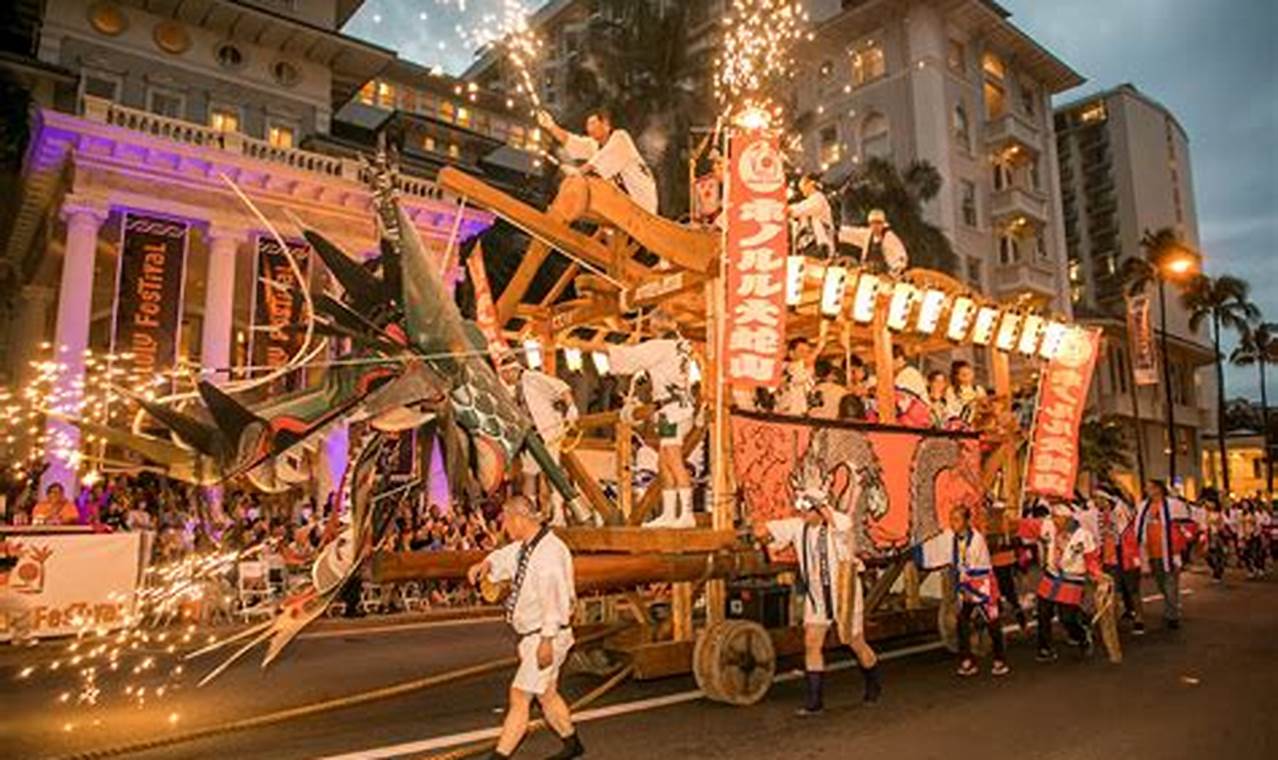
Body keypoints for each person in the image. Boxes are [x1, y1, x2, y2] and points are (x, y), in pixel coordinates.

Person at [753, 477, 881, 715]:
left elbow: (842, 528)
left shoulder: (839, 523)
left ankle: (873, 682)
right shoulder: (798, 526)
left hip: (845, 594)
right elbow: (766, 529)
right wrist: (760, 533)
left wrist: (822, 507)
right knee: (812, 643)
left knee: (854, 642)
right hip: (817, 597)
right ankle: (815, 702)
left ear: (821, 510)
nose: (804, 516)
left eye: (808, 511)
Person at [467, 496, 582, 760]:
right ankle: (573, 744)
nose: (505, 528)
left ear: (518, 518)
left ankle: (499, 757)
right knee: (547, 694)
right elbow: (507, 556)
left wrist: (547, 640)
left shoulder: (549, 553)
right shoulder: (529, 546)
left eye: (506, 521)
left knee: (519, 695)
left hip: (546, 634)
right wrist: (486, 564)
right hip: (538, 635)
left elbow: (555, 599)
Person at [608, 311, 696, 528]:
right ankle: (669, 513)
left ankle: (686, 513)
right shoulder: (680, 345)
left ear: (656, 327)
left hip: (674, 409)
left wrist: (611, 349)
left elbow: (630, 359)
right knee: (664, 460)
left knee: (673, 458)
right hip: (673, 408)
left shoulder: (662, 346)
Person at [915, 504, 1010, 676]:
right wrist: (919, 545)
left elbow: (972, 567)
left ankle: (1000, 659)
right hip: (966, 585)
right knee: (962, 622)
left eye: (957, 519)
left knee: (992, 623)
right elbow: (938, 545)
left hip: (983, 585)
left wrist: (965, 586)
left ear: (967, 521)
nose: (953, 523)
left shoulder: (977, 540)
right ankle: (967, 660)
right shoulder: (952, 536)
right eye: (951, 519)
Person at [500, 354, 579, 527]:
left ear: (513, 370)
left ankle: (559, 514)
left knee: (553, 473)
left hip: (547, 433)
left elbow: (562, 387)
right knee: (529, 474)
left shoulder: (533, 378)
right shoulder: (514, 390)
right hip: (530, 436)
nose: (504, 379)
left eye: (505, 374)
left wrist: (571, 407)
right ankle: (532, 513)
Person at [1020, 501, 1105, 661]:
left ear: (1067, 518)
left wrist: (1097, 574)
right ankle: (1045, 648)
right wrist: (1011, 521)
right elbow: (1028, 526)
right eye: (1053, 517)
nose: (1054, 520)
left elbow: (1091, 558)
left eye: (1058, 518)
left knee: (1067, 618)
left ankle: (1081, 636)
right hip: (1051, 575)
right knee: (1043, 613)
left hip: (1072, 578)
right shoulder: (1048, 526)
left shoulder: (1083, 535)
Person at [538, 107, 658, 215]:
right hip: (625, 207)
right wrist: (551, 126)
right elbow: (570, 140)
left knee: (586, 184)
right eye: (587, 125)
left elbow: (597, 161)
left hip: (643, 204)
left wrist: (577, 172)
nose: (589, 128)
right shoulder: (595, 145)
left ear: (606, 124)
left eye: (592, 123)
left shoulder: (620, 138)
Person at [1136, 479, 1192, 629]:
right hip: (1152, 551)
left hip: (1170, 552)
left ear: (1158, 489)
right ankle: (1171, 605)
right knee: (1161, 583)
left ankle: (1172, 615)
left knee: (1170, 583)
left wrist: (1181, 545)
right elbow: (1139, 529)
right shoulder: (1143, 507)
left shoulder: (1174, 505)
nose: (1146, 490)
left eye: (1149, 487)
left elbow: (1187, 525)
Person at [1095, 484, 1145, 634]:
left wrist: (1114, 488)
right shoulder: (1101, 514)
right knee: (1113, 591)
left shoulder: (1121, 510)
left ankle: (1139, 619)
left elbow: (1126, 511)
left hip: (1127, 557)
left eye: (1098, 498)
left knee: (1133, 591)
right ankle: (1112, 622)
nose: (1095, 501)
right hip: (1110, 558)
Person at [838, 208, 908, 275]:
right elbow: (851, 233)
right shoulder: (867, 234)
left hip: (883, 276)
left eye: (878, 223)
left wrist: (895, 270)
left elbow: (900, 255)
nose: (876, 226)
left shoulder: (889, 237)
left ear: (883, 224)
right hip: (866, 272)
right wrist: (838, 229)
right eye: (873, 223)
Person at [787, 174, 836, 259]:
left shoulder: (818, 199)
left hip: (819, 245)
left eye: (803, 186)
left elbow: (796, 210)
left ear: (811, 184)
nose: (802, 190)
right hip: (810, 245)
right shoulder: (812, 200)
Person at [943, 360, 987, 426]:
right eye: (964, 375)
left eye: (969, 373)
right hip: (960, 422)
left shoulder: (978, 389)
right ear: (956, 376)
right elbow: (950, 409)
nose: (967, 377)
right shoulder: (951, 390)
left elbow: (985, 405)